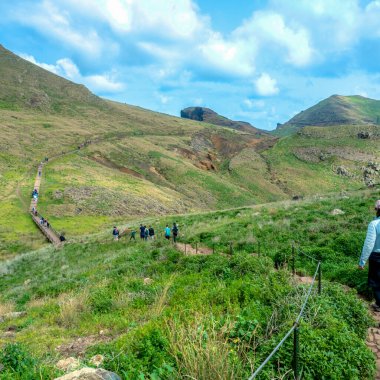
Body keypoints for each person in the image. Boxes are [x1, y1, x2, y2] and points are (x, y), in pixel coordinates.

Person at [359, 200, 380, 311]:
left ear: (377, 210)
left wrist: (362, 261)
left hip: (377, 256)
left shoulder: (374, 224)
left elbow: (369, 245)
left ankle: (379, 304)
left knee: (376, 281)